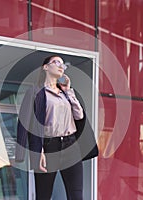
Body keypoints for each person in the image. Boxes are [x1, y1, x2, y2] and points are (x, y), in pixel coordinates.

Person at [15, 55, 98, 200]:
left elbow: (79, 116)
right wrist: (35, 152)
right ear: (45, 67)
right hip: (48, 148)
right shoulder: (35, 92)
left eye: (62, 64)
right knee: (44, 195)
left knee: (76, 195)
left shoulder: (67, 93)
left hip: (71, 146)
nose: (61, 66)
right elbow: (24, 123)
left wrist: (68, 91)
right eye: (56, 62)